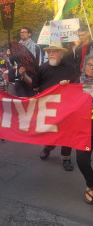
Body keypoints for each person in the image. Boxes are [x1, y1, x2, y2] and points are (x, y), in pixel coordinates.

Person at [19, 41, 79, 171]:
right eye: (49, 52)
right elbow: (34, 85)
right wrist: (23, 75)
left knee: (66, 133)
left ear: (61, 53)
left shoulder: (70, 68)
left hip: (65, 106)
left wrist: (68, 84)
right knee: (50, 131)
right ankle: (48, 147)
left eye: (54, 51)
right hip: (47, 107)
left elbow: (77, 86)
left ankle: (66, 158)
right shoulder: (42, 68)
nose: (51, 54)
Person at [75, 54, 93, 204]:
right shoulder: (76, 83)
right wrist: (63, 86)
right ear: (84, 66)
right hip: (83, 126)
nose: (92, 67)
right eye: (89, 64)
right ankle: (91, 184)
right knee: (81, 159)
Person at [11, 27, 42, 97]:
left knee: (31, 102)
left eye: (24, 32)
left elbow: (39, 63)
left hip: (31, 79)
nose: (22, 34)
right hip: (19, 78)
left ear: (29, 34)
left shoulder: (36, 47)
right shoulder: (16, 47)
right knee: (20, 102)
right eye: (21, 32)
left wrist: (36, 80)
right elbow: (13, 64)